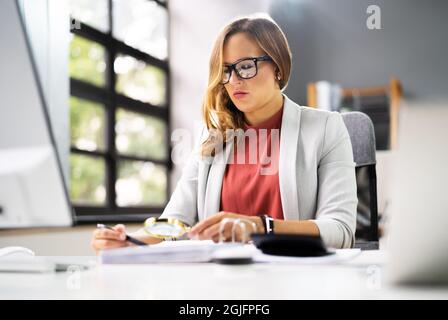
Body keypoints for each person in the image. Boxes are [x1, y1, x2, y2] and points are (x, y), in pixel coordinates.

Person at [91, 14, 357, 254]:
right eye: (226, 70)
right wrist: (131, 240)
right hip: (223, 280)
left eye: (246, 66)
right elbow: (176, 220)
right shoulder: (214, 137)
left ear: (277, 67)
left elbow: (340, 231)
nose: (234, 80)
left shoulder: (325, 128)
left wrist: (261, 226)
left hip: (297, 279)